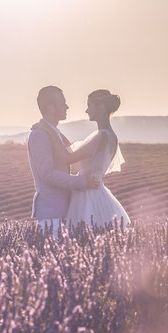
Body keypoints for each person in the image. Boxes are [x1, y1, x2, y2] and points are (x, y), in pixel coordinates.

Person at [45, 89, 130, 230]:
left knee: (83, 234)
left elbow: (68, 158)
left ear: (100, 107)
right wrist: (56, 132)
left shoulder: (101, 136)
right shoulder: (108, 135)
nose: (86, 110)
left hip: (88, 194)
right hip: (95, 191)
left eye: (89, 105)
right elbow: (72, 147)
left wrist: (49, 131)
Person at [26, 85, 99, 238]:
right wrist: (81, 182)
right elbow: (47, 173)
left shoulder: (52, 133)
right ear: (51, 108)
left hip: (64, 212)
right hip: (51, 213)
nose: (67, 106)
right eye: (62, 103)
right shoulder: (40, 135)